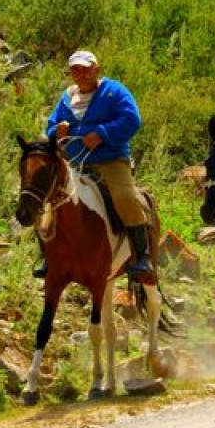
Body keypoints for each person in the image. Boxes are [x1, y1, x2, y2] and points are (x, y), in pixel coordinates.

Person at [33, 49, 153, 279]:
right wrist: (55, 131)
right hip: (75, 163)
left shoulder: (114, 91)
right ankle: (48, 255)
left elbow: (132, 119)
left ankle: (142, 255)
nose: (81, 73)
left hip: (111, 160)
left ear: (96, 69)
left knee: (124, 197)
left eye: (85, 68)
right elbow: (51, 126)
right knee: (50, 200)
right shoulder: (67, 97)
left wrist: (103, 133)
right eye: (75, 69)